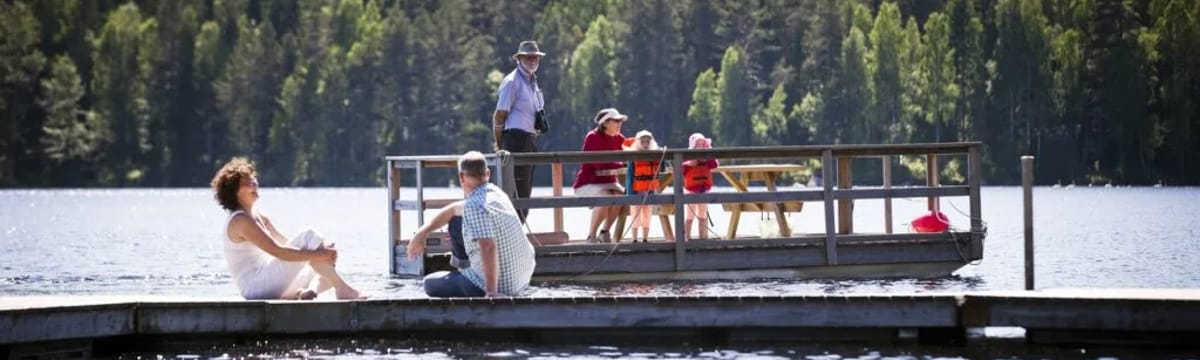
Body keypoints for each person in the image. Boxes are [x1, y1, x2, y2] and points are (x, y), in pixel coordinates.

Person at [211, 158, 364, 300]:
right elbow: (278, 251)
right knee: (309, 236)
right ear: (233, 190)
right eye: (248, 182)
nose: (255, 184)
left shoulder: (256, 215)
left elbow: (284, 243)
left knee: (323, 264)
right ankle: (343, 290)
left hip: (269, 280)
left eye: (254, 180)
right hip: (256, 286)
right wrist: (316, 254)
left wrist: (320, 251)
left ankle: (309, 292)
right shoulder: (240, 220)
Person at [407, 151, 536, 297]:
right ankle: (466, 271)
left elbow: (488, 247)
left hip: (499, 286)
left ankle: (475, 280)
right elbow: (452, 210)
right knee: (456, 219)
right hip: (522, 279)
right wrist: (422, 233)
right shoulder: (497, 194)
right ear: (487, 173)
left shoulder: (474, 206)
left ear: (461, 177)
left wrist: (491, 292)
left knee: (429, 283)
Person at [493, 40, 546, 223]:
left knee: (525, 191)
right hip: (515, 139)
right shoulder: (512, 82)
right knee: (515, 190)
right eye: (528, 57)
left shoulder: (533, 82)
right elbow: (499, 115)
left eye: (536, 57)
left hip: (529, 139)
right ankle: (511, 234)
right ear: (519, 59)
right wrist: (500, 144)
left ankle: (518, 232)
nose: (533, 61)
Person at [572, 108, 628, 243]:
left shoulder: (621, 139)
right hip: (588, 183)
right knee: (605, 197)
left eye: (621, 120)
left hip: (610, 183)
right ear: (605, 123)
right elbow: (598, 164)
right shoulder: (592, 137)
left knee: (623, 197)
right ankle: (591, 236)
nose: (620, 123)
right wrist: (621, 164)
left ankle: (605, 232)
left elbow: (630, 154)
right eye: (617, 120)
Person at [622, 130, 660, 243]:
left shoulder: (654, 154)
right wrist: (630, 192)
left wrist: (661, 153)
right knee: (635, 214)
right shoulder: (633, 157)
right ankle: (634, 238)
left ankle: (645, 238)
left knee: (647, 214)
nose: (645, 144)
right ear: (638, 142)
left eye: (648, 141)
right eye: (643, 141)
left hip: (649, 190)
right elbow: (629, 176)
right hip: (636, 190)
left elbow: (661, 168)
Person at [683, 133, 719, 241]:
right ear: (693, 145)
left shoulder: (707, 157)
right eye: (698, 144)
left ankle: (702, 237)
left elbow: (715, 164)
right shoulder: (687, 157)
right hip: (691, 190)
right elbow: (681, 170)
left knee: (702, 215)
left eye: (703, 144)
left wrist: (708, 151)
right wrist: (689, 164)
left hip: (704, 189)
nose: (701, 146)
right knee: (690, 216)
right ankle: (686, 237)